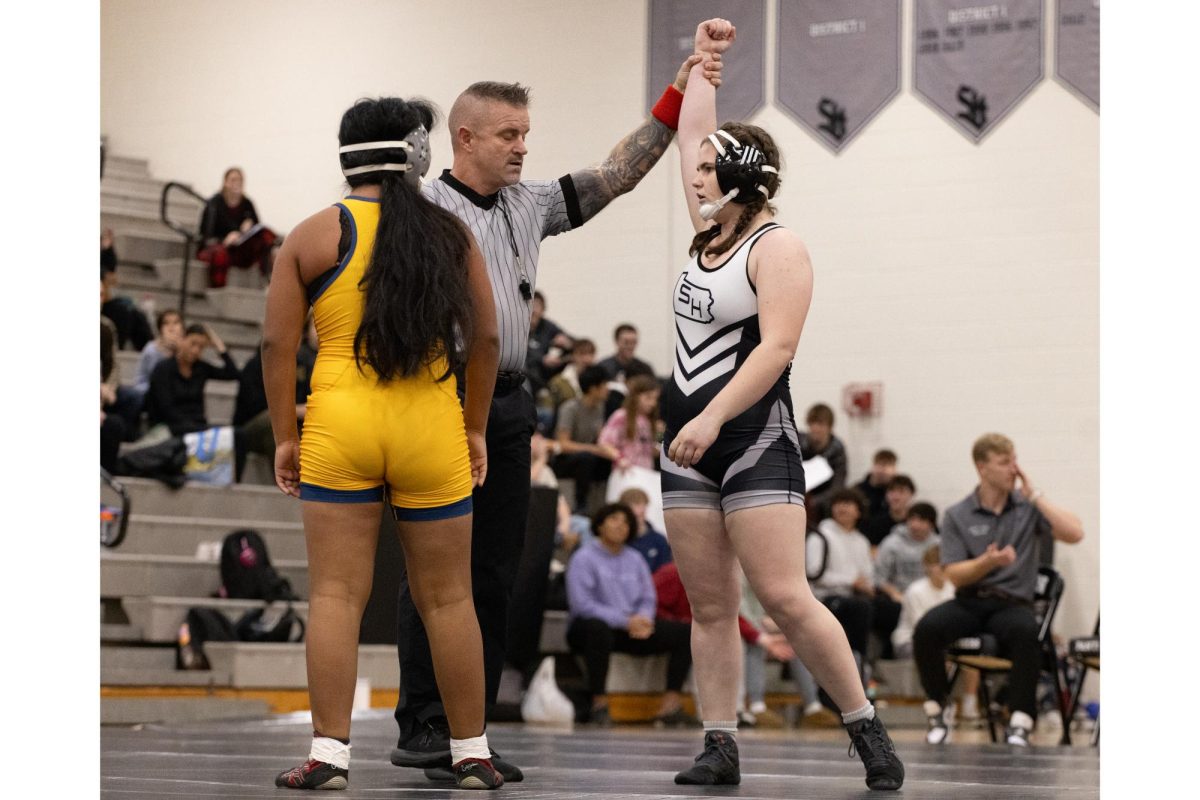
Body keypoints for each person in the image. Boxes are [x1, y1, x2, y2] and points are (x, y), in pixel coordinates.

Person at [390, 44, 725, 784]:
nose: (523, 145)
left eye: (526, 132)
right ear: (466, 138)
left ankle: (469, 731)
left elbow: (617, 175)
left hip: (509, 403)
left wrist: (675, 92)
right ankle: (424, 724)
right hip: (441, 398)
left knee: (497, 573)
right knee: (438, 573)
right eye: (509, 134)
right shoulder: (422, 209)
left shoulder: (527, 203)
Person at [658, 19, 903, 790]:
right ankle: (720, 741)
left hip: (752, 436)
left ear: (737, 179)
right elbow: (694, 127)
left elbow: (776, 351)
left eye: (707, 170)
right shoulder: (708, 231)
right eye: (695, 169)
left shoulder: (778, 247)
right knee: (709, 606)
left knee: (786, 598)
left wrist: (706, 418)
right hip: (690, 438)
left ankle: (863, 723)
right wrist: (709, 61)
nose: (694, 175)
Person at [261, 97, 503, 790]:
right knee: (450, 599)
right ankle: (472, 750)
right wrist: (476, 425)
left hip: (342, 425)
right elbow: (487, 340)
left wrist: (286, 435)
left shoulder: (314, 234)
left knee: (336, 595)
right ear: (417, 154)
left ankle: (330, 756)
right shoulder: (450, 234)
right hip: (432, 428)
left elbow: (278, 344)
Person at [913, 433, 1084, 747]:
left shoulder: (1027, 508)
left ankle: (1021, 719)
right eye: (1004, 462)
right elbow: (954, 575)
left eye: (1014, 460)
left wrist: (1035, 495)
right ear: (982, 468)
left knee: (1026, 632)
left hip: (1012, 604)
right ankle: (939, 709)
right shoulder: (958, 514)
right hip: (970, 601)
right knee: (927, 628)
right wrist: (987, 563)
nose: (1013, 469)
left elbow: (1075, 533)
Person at [566, 504, 695, 727]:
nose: (621, 525)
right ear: (600, 524)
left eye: (626, 521)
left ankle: (671, 705)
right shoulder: (584, 558)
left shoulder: (635, 559)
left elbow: (648, 598)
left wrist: (643, 619)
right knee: (597, 629)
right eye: (614, 519)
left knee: (685, 632)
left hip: (632, 628)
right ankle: (599, 703)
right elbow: (583, 605)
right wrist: (625, 621)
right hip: (591, 628)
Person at [144, 323, 239, 437]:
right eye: (193, 344)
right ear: (183, 340)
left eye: (201, 347)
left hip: (197, 426)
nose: (195, 350)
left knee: (236, 435)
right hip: (170, 426)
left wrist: (218, 346)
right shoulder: (163, 368)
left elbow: (232, 373)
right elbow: (166, 408)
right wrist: (192, 429)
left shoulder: (201, 368)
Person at [872, 502, 940, 659]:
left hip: (928, 597)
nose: (915, 525)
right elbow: (878, 577)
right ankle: (889, 655)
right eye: (912, 519)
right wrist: (894, 593)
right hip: (897, 595)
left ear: (931, 524)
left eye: (921, 521)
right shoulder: (892, 542)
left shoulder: (938, 545)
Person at [197, 167, 279, 288]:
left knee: (266, 236)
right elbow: (205, 236)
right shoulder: (214, 203)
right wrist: (225, 240)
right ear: (225, 182)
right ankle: (218, 290)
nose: (237, 183)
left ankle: (270, 281)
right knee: (220, 255)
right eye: (233, 180)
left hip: (240, 248)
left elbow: (258, 229)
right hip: (219, 247)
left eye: (240, 180)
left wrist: (247, 229)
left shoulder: (247, 203)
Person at [598, 374, 661, 471]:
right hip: (626, 472)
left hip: (645, 473)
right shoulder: (621, 416)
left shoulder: (648, 420)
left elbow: (645, 447)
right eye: (648, 398)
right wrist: (620, 458)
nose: (653, 403)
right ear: (635, 396)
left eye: (655, 399)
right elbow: (604, 444)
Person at [620, 487, 673, 574]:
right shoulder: (617, 539)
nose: (636, 510)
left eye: (639, 504)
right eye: (631, 505)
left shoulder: (659, 540)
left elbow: (665, 573)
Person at [134, 309, 184, 397]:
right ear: (160, 329)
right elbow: (152, 378)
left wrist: (179, 351)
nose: (171, 327)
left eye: (176, 322)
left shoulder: (187, 348)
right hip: (149, 391)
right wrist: (164, 350)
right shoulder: (151, 348)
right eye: (166, 323)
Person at [862, 474, 916, 547]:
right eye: (892, 491)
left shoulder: (920, 522)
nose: (896, 497)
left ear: (911, 494)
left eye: (901, 491)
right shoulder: (875, 522)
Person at [855, 449, 898, 523]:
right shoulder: (858, 490)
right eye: (880, 464)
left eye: (888, 465)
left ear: (894, 470)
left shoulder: (897, 494)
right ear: (873, 466)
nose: (883, 470)